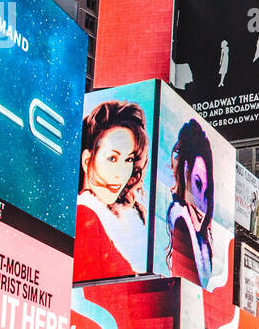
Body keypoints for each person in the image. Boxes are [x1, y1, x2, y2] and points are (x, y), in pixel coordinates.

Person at [74, 100, 149, 280]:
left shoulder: (125, 221)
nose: (120, 174)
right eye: (112, 159)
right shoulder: (84, 217)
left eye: (128, 160)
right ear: (87, 160)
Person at [166, 119, 215, 289]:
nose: (202, 203)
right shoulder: (180, 217)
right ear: (186, 170)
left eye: (206, 193)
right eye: (198, 184)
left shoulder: (203, 241)